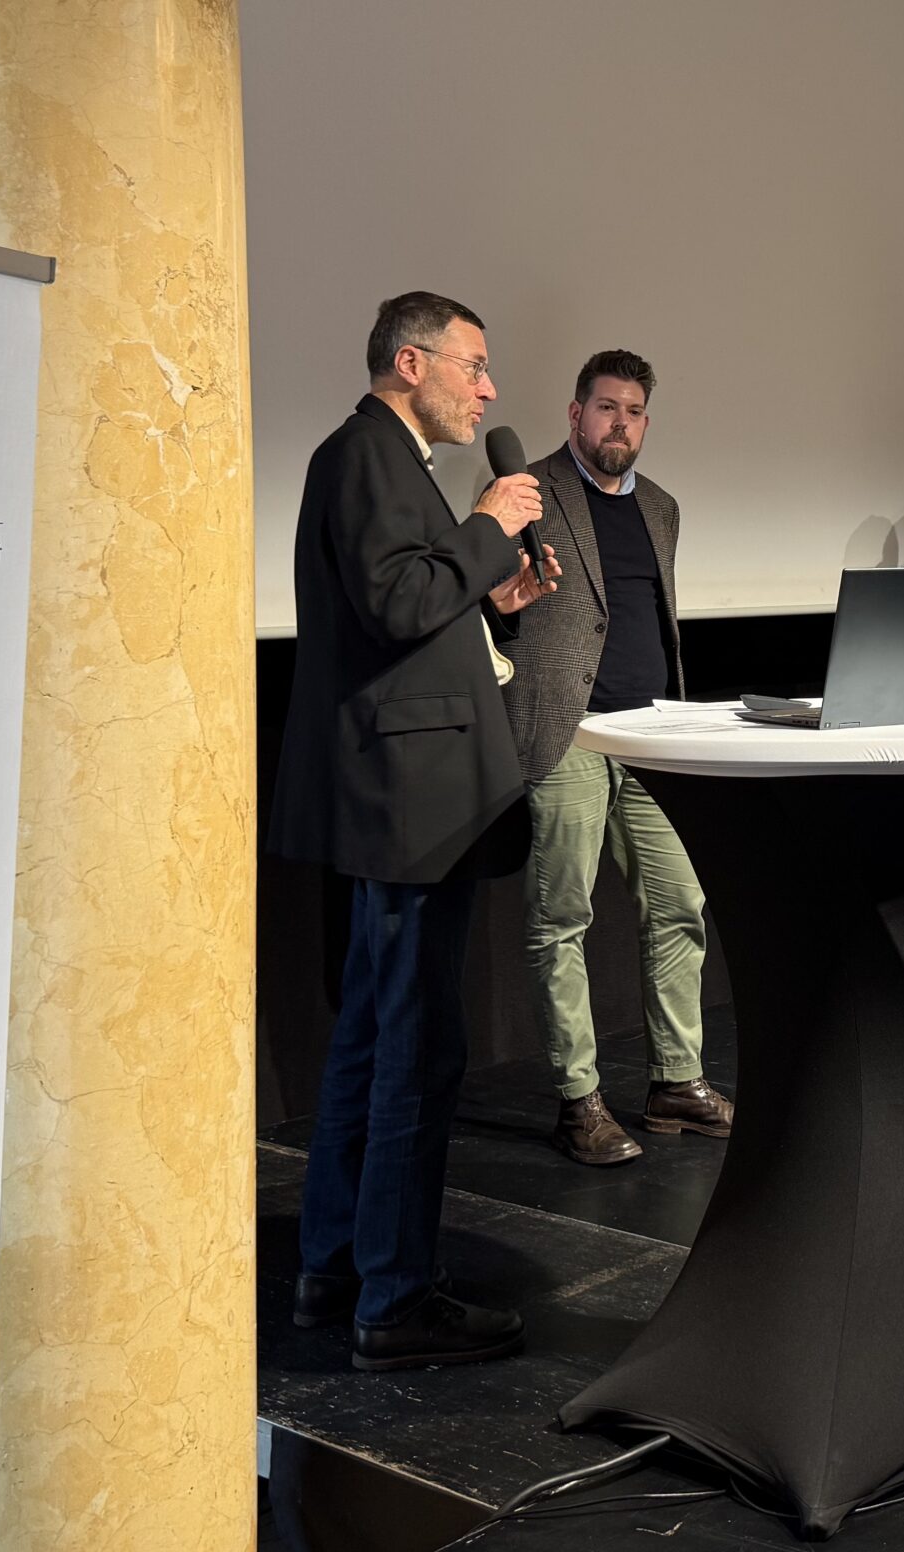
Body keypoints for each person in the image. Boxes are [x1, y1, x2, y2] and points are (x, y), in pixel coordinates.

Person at [267, 290, 559, 1371]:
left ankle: (336, 1267)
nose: (488, 389)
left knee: (372, 1036)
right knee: (414, 1049)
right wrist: (488, 527)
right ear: (411, 362)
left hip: (411, 800)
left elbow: (406, 611)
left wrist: (494, 601)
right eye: (473, 366)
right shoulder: (364, 457)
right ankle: (394, 1298)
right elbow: (394, 603)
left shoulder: (388, 463)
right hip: (410, 806)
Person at [499, 349, 733, 1165]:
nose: (619, 424)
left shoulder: (661, 507)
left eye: (633, 412)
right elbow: (493, 607)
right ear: (576, 414)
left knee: (679, 904)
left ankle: (676, 1082)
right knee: (561, 917)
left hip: (652, 734)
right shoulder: (527, 492)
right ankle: (579, 1101)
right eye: (606, 408)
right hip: (569, 732)